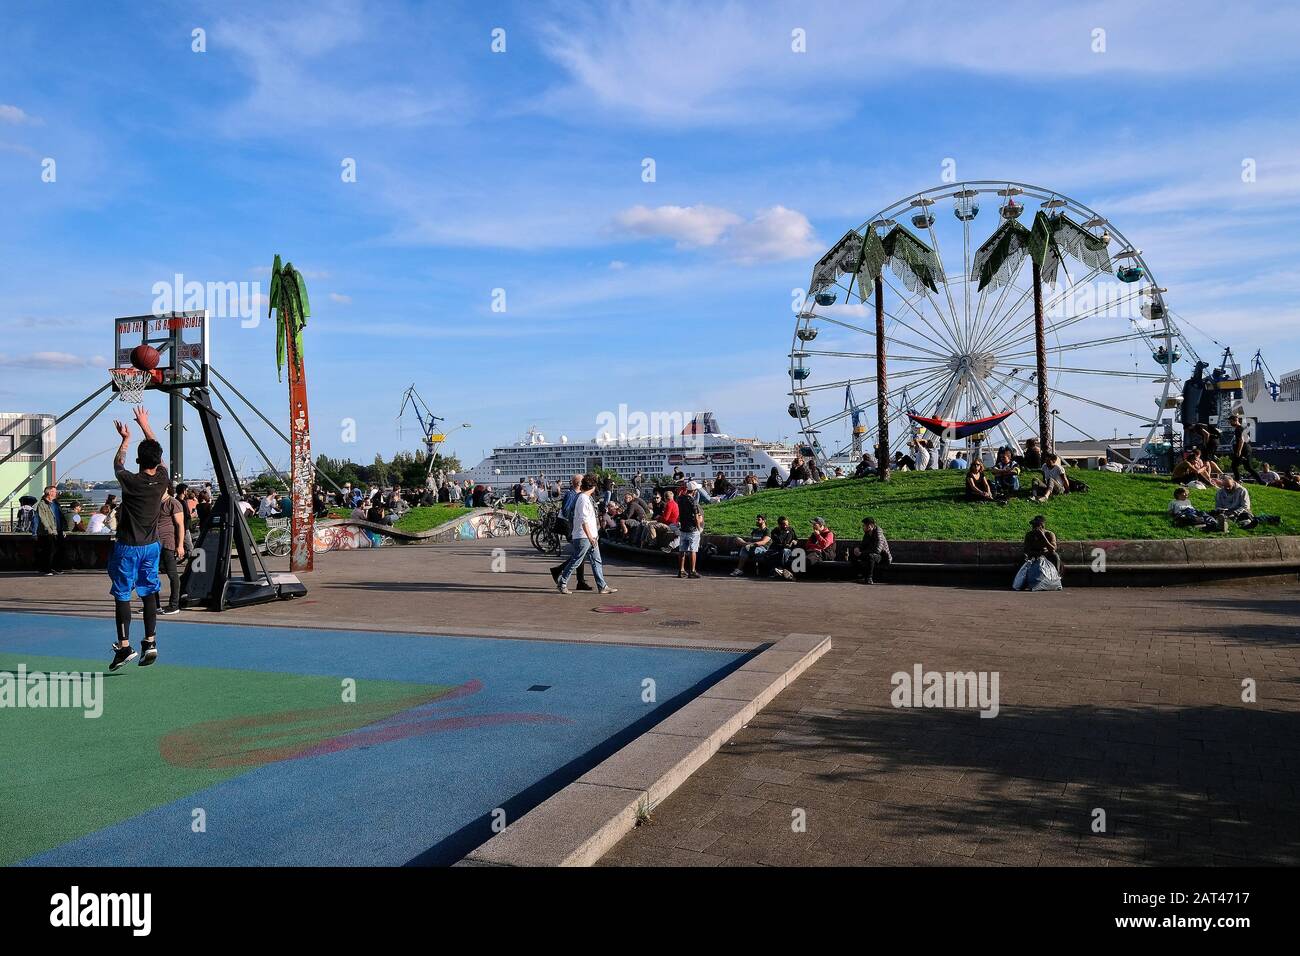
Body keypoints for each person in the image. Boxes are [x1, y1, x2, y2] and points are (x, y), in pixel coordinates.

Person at [107, 407, 168, 670]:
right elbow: (157, 452)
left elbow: (117, 464)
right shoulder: (163, 478)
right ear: (158, 460)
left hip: (129, 547)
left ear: (139, 461)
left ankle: (124, 646)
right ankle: (150, 642)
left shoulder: (131, 481)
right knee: (149, 592)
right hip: (151, 547)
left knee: (122, 594)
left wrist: (125, 439)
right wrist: (145, 424)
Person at [555, 474, 616, 595]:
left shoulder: (585, 498)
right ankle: (562, 582)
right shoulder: (583, 499)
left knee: (596, 560)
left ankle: (602, 585)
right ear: (592, 486)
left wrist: (594, 535)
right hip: (584, 536)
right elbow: (583, 520)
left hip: (590, 536)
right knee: (576, 560)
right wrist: (590, 536)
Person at [551, 476, 590, 590]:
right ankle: (562, 573)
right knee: (580, 552)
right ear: (579, 483)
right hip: (567, 525)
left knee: (580, 552)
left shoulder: (578, 494)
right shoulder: (571, 494)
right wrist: (575, 520)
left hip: (571, 525)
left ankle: (579, 581)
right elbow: (566, 510)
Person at [155, 483, 186, 614]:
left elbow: (180, 525)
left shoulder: (173, 503)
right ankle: (153, 605)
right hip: (153, 544)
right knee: (150, 575)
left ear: (166, 487)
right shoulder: (154, 503)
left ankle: (174, 604)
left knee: (172, 575)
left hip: (168, 544)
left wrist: (180, 546)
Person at [32, 486, 65, 576]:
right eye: (54, 491)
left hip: (58, 530)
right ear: (49, 493)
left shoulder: (56, 503)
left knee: (58, 550)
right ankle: (46, 569)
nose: (56, 493)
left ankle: (55, 567)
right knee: (49, 551)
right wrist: (49, 530)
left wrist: (62, 529)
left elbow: (60, 517)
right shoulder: (42, 504)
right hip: (48, 532)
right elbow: (43, 519)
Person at [848, 516, 891, 584]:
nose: (863, 527)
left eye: (864, 526)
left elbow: (877, 550)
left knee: (871, 556)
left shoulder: (878, 534)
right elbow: (863, 545)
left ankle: (869, 578)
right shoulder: (867, 534)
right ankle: (860, 576)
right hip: (869, 554)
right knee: (853, 555)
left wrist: (862, 553)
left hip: (882, 557)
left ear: (870, 526)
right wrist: (857, 549)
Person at [675, 481, 703, 578]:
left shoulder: (680, 499)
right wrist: (699, 528)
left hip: (683, 528)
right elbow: (696, 517)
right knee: (693, 550)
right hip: (692, 529)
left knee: (682, 550)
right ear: (694, 491)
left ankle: (681, 570)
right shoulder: (693, 501)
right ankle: (692, 571)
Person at [1227, 414, 1264, 483]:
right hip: (1247, 449)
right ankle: (1262, 482)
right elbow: (1247, 438)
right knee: (1248, 468)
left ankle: (1238, 480)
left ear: (1235, 421)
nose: (1229, 423)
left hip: (1243, 450)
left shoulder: (1238, 429)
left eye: (1230, 421)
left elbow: (1242, 440)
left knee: (1234, 465)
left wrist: (1239, 451)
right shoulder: (1241, 428)